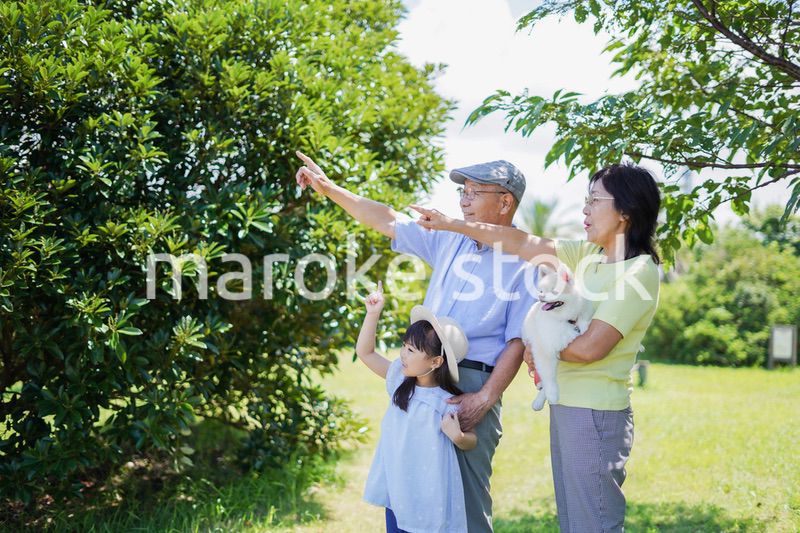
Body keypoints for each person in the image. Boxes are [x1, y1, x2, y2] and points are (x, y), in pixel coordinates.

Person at [411, 163, 662, 532]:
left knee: (593, 521)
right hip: (568, 405)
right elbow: (518, 241)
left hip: (595, 411)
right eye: (585, 200)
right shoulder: (588, 256)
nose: (584, 211)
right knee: (576, 519)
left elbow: (591, 348)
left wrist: (536, 343)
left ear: (625, 210)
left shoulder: (638, 271)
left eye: (595, 200)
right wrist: (452, 224)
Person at [295, 152, 538, 532]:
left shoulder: (526, 261)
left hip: (473, 386)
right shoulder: (448, 240)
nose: (463, 199)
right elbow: (387, 219)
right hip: (425, 377)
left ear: (505, 201)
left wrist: (484, 397)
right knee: (411, 490)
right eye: (463, 191)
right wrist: (329, 189)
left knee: (466, 505)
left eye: (475, 192)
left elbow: (518, 341)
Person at [357, 280, 475, 533]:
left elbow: (471, 440)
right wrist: (373, 313)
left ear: (435, 361)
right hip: (398, 485)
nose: (403, 354)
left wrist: (459, 437)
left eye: (412, 350)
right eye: (404, 346)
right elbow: (365, 353)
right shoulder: (400, 380)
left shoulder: (445, 401)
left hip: (429, 494)